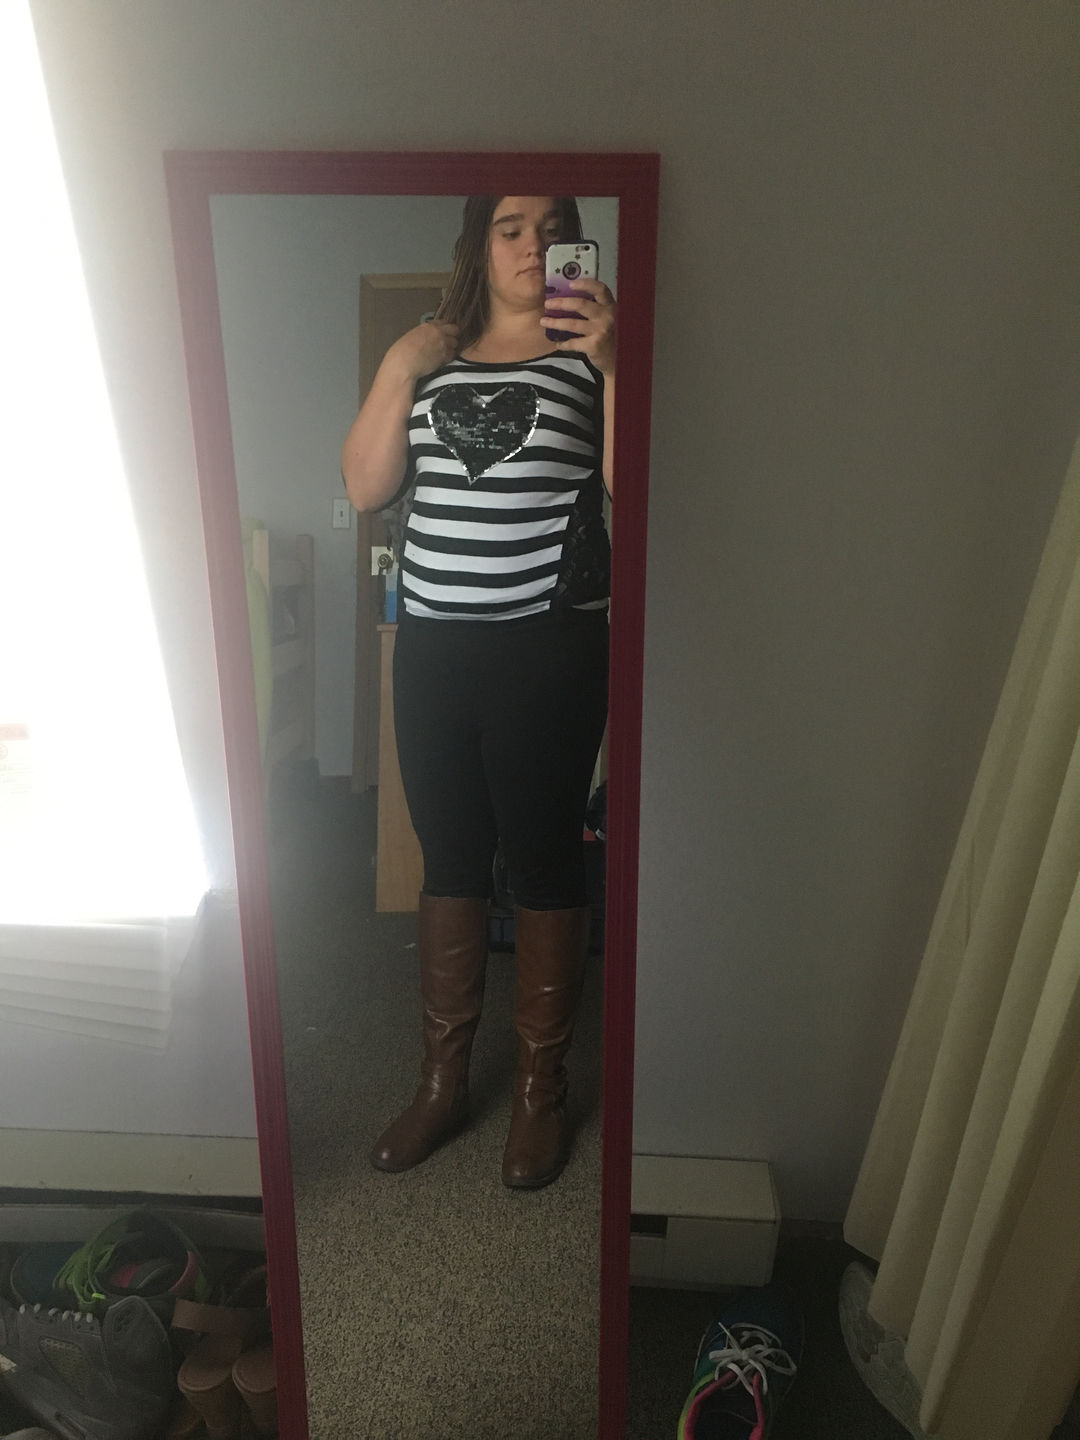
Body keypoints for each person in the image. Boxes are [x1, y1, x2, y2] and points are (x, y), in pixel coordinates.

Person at [341, 195, 616, 1189]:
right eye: (510, 227)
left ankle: (540, 1090)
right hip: (433, 650)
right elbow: (366, 487)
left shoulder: (589, 356)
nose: (533, 243)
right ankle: (443, 1083)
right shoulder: (431, 357)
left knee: (542, 859)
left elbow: (636, 490)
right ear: (478, 244)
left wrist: (617, 365)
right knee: (450, 857)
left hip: (548, 648)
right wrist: (396, 367)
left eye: (550, 225)